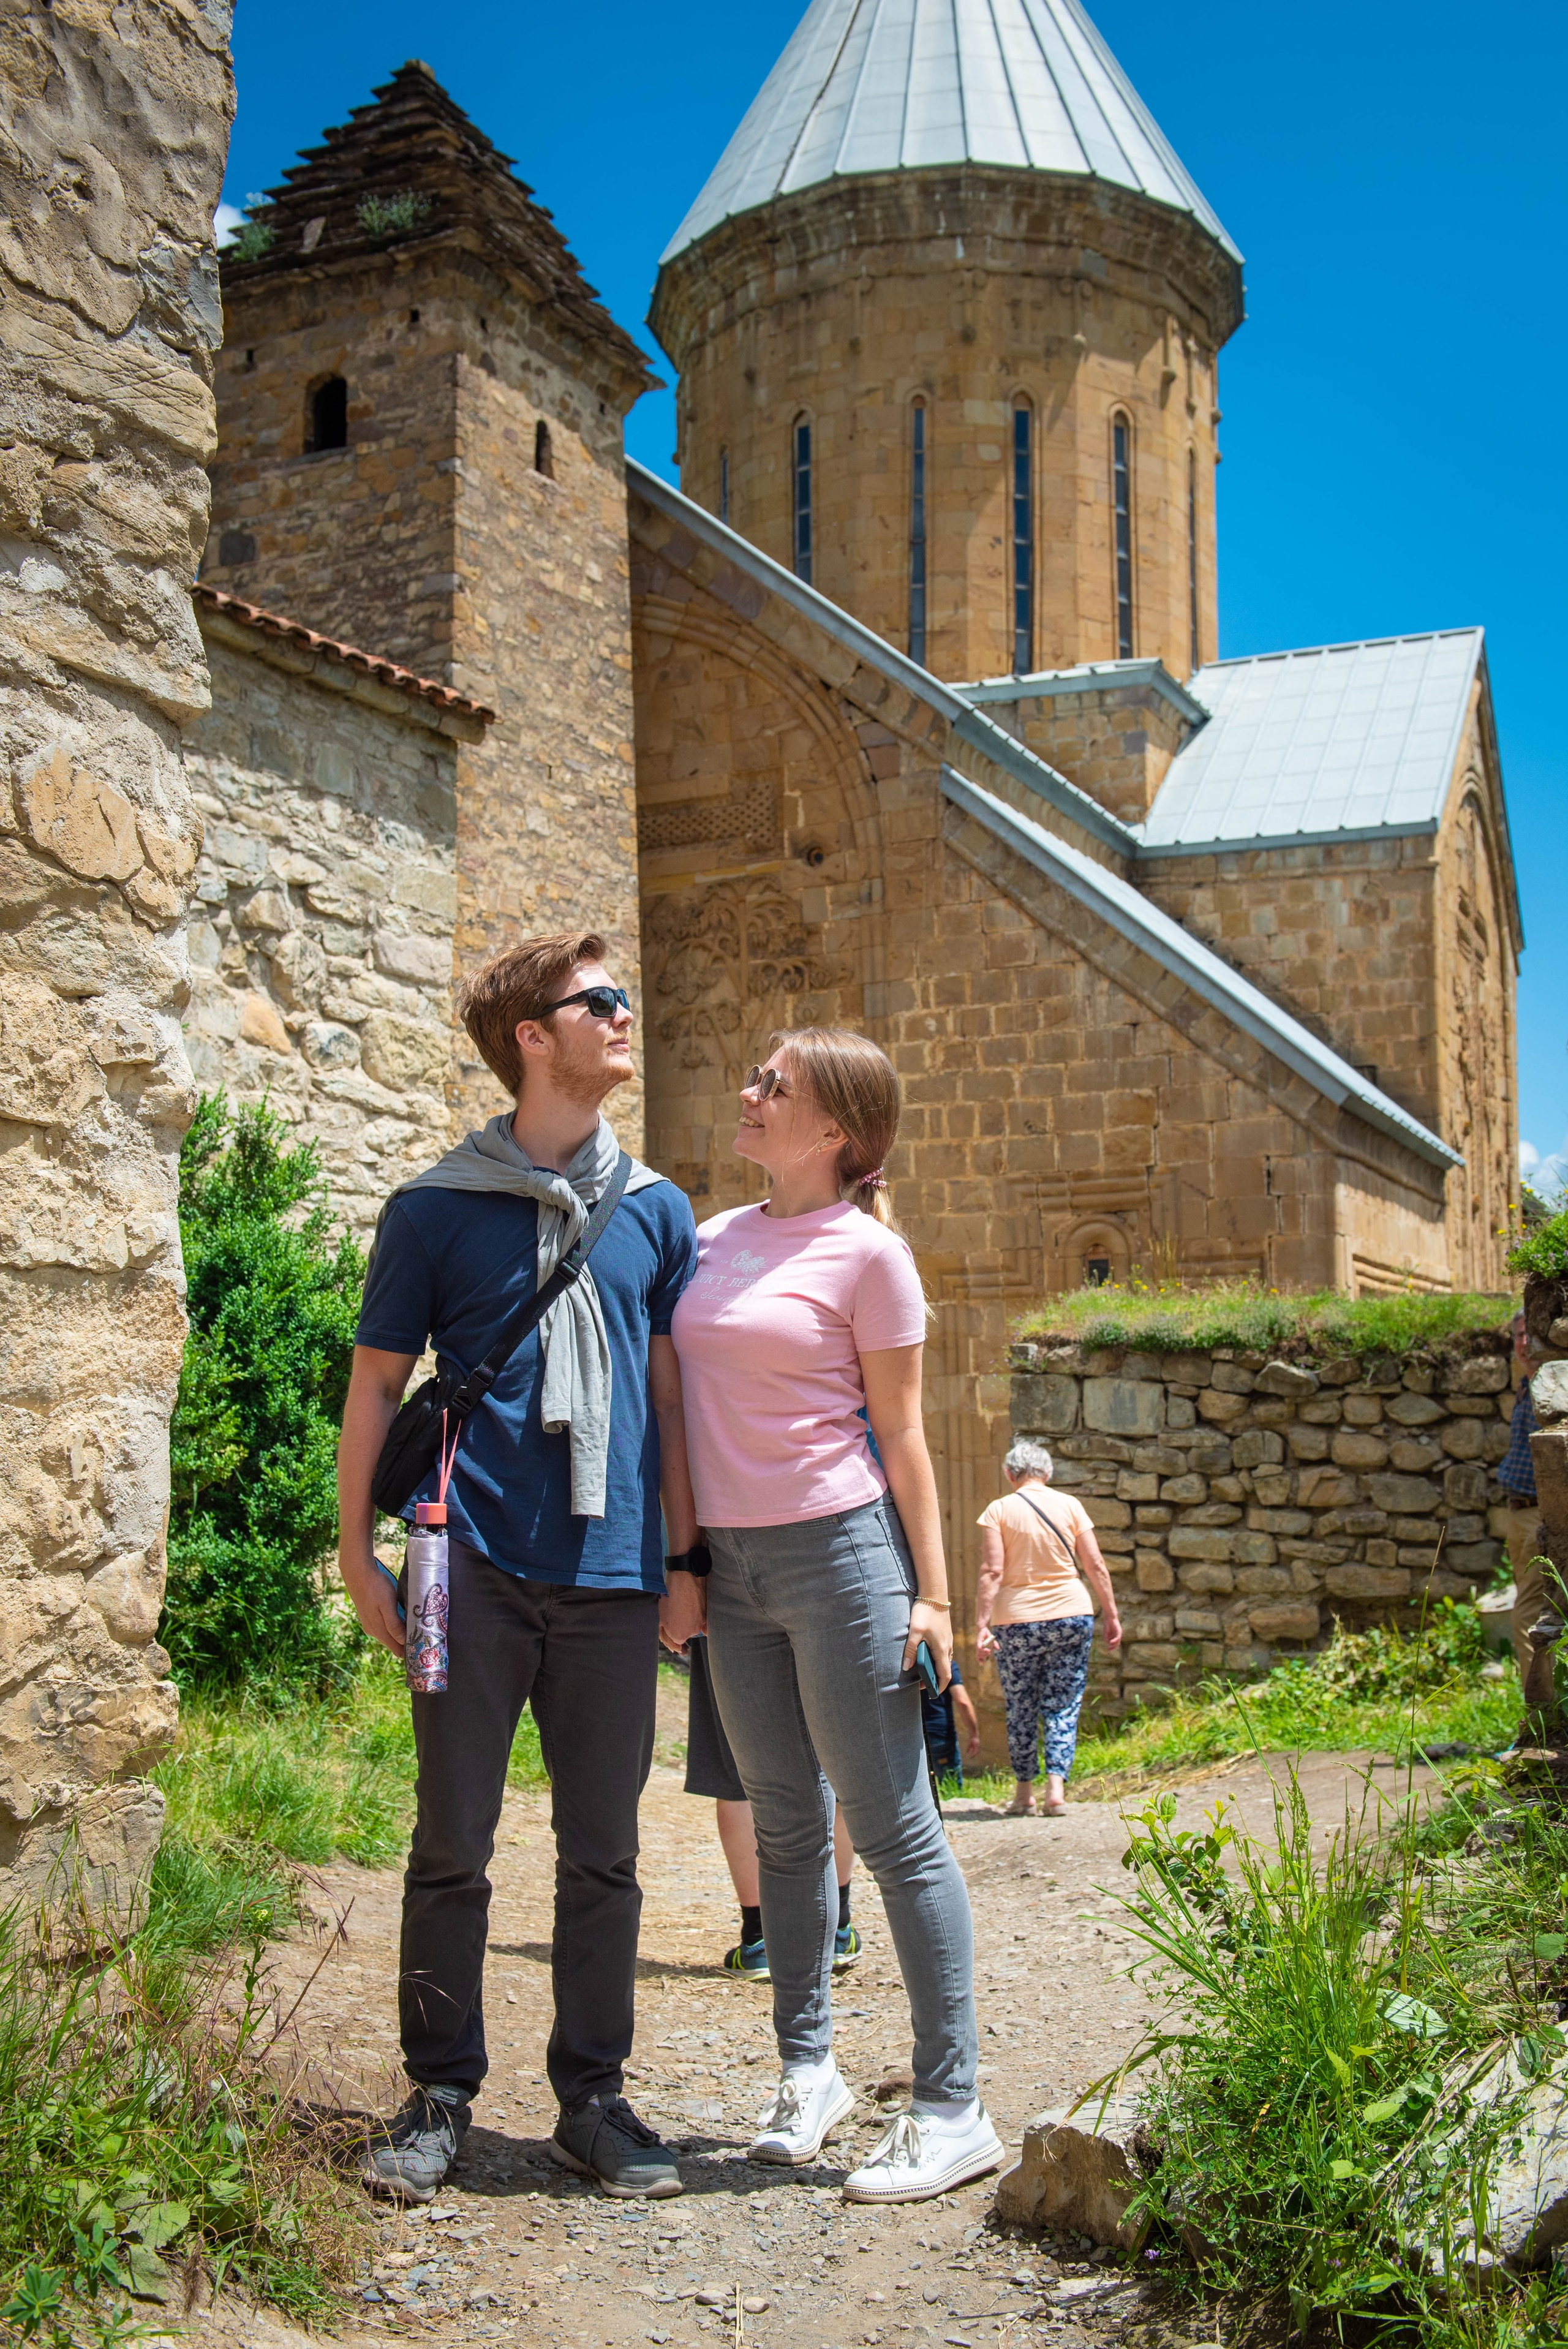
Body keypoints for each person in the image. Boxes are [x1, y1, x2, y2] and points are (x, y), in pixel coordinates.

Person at [336, 933, 706, 2204]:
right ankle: (438, 2091)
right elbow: (376, 1386)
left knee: (604, 1851)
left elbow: (668, 1386)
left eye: (623, 997)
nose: (624, 1016)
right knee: (453, 1841)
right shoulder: (434, 1207)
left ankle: (590, 2100)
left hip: (612, 1578)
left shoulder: (656, 1210)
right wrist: (356, 1554)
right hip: (465, 1567)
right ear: (530, 1039)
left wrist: (684, 1554)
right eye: (598, 1001)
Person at [669, 1028, 1003, 2203]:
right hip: (735, 1570)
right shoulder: (705, 1243)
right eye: (754, 1073)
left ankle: (954, 2104)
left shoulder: (873, 1256)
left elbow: (904, 1436)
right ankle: (807, 2073)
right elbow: (675, 1416)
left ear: (835, 1136)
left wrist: (934, 1590)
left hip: (844, 1558)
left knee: (896, 1828)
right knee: (781, 1823)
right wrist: (683, 1562)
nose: (748, 1092)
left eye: (777, 1086)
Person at [975, 1440, 1121, 1818]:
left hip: (1015, 1621)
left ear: (1010, 1474)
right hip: (1070, 1615)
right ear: (1048, 1473)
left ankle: (1024, 1794)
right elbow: (1096, 1565)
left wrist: (980, 1624)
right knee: (1063, 1702)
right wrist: (1112, 1614)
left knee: (1021, 1705)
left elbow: (992, 1571)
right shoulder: (1071, 1506)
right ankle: (1055, 1790)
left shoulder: (999, 1510)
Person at [1499, 1310, 1551, 1686]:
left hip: (1539, 1514)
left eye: (1529, 1335)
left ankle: (1541, 1718)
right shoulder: (1526, 1385)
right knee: (1528, 1609)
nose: (1522, 1344)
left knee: (1527, 1616)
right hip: (1518, 1512)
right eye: (1517, 1335)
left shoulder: (1553, 1389)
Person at [921, 1651, 981, 1789]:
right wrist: (974, 1734)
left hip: (913, 1734)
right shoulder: (946, 1665)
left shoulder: (906, 1666)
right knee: (951, 1787)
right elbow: (963, 1702)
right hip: (940, 1733)